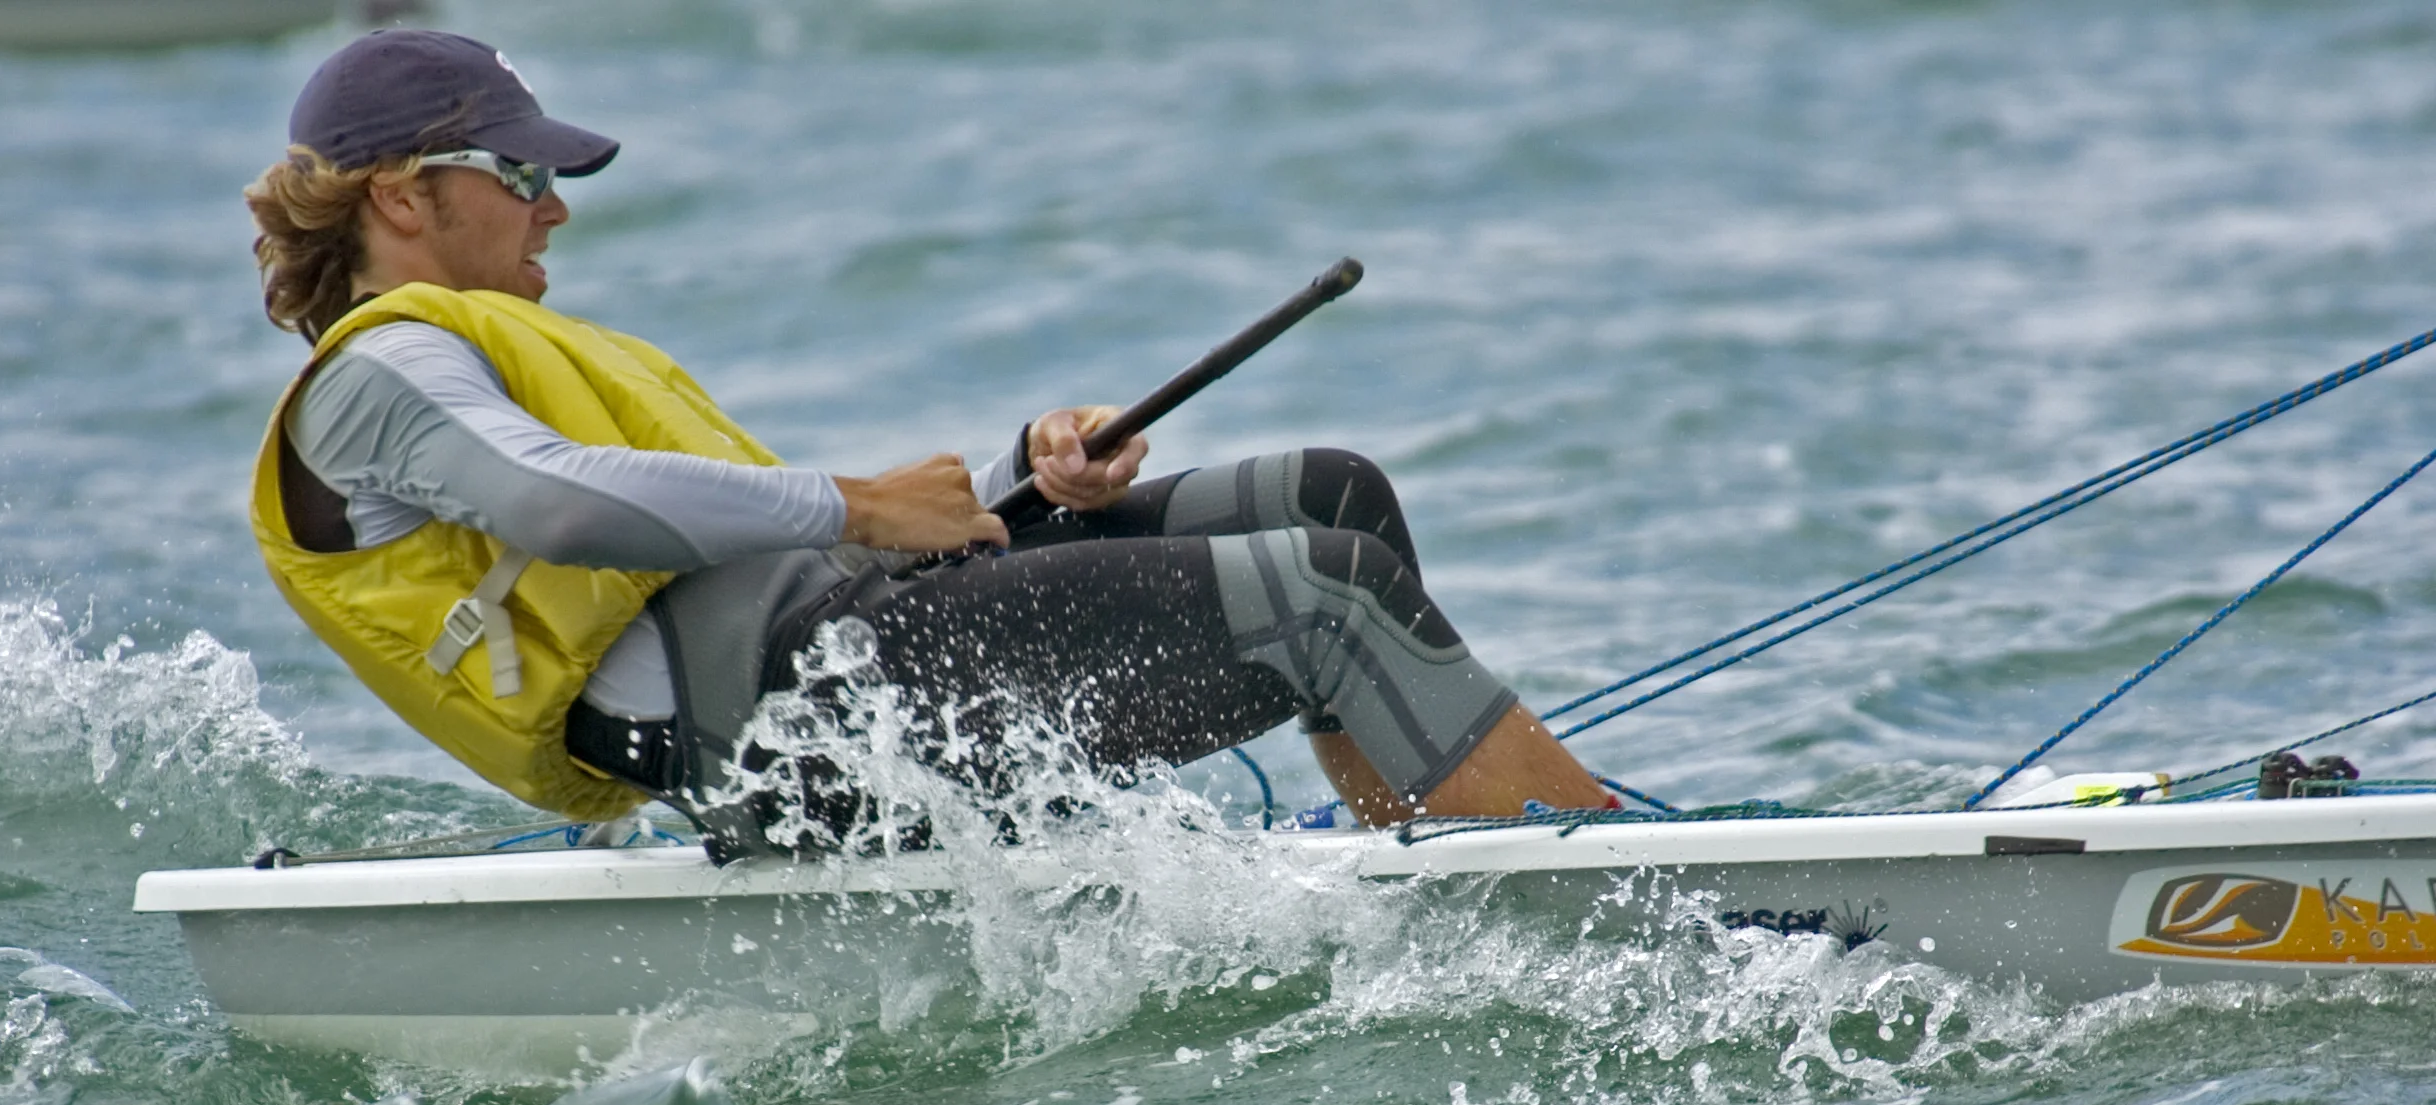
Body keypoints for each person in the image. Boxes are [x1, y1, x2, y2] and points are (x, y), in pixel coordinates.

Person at [244, 30, 1615, 854]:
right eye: (524, 174)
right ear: (402, 200)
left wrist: (1019, 475)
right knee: (1320, 599)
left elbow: (774, 549)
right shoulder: (376, 375)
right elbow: (554, 508)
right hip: (794, 737)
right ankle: (1621, 904)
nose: (554, 212)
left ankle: (1438, 862)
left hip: (853, 647)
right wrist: (861, 508)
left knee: (1333, 501)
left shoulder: (475, 348)